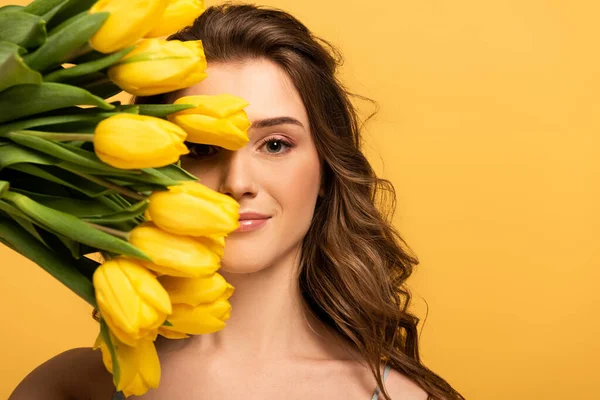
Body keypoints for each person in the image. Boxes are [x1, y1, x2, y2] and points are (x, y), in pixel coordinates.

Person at [10, 4, 464, 400]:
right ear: (148, 165)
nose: (238, 182)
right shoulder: (72, 388)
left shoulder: (402, 397)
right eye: (202, 149)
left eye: (275, 145)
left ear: (326, 168)